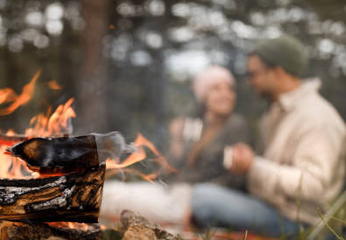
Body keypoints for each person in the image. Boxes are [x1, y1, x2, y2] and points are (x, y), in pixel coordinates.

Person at [190, 34, 346, 240]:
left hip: (299, 223)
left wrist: (253, 166)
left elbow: (314, 186)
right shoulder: (276, 112)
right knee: (204, 193)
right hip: (270, 207)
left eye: (254, 74)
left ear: (277, 73)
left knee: (202, 197)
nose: (249, 80)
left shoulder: (317, 118)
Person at [101, 65, 251, 224]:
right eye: (217, 89)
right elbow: (167, 173)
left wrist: (197, 204)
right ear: (204, 95)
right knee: (110, 190)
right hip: (172, 191)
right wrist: (177, 142)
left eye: (229, 89)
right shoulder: (195, 125)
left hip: (193, 201)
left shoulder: (235, 126)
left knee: (114, 200)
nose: (226, 94)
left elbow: (235, 179)